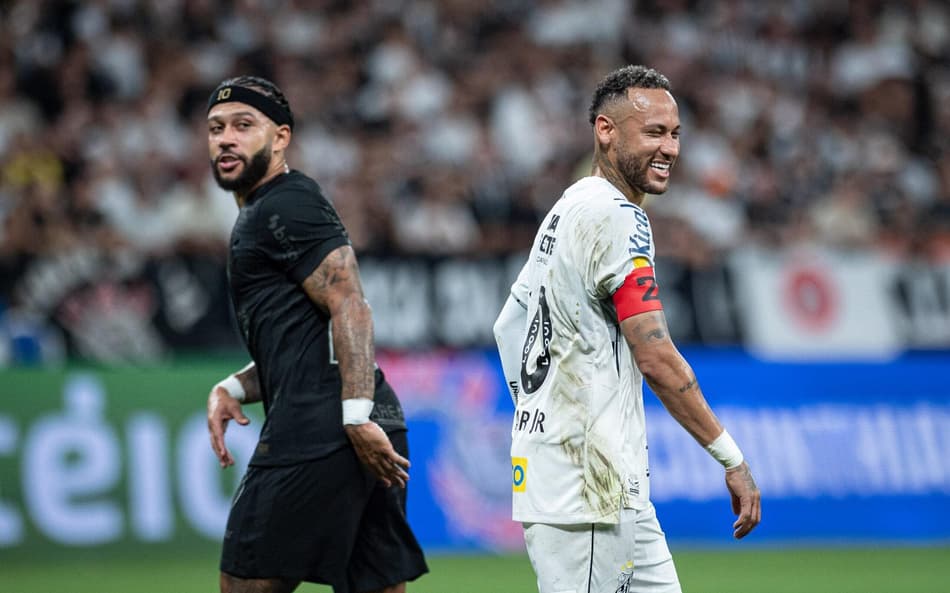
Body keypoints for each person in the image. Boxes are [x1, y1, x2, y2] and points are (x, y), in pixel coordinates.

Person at [493, 65, 761, 593]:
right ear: (605, 130)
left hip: (604, 480)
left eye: (675, 133)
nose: (670, 148)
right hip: (588, 479)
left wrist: (537, 408)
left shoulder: (567, 207)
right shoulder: (618, 218)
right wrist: (731, 458)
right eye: (654, 132)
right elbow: (656, 356)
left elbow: (511, 325)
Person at [203, 75, 428, 593]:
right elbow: (304, 343)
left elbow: (350, 302)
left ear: (280, 138)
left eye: (243, 125)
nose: (226, 139)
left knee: (245, 585)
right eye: (216, 129)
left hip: (323, 426)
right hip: (366, 420)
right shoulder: (266, 210)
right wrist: (233, 388)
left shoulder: (284, 203)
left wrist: (354, 417)